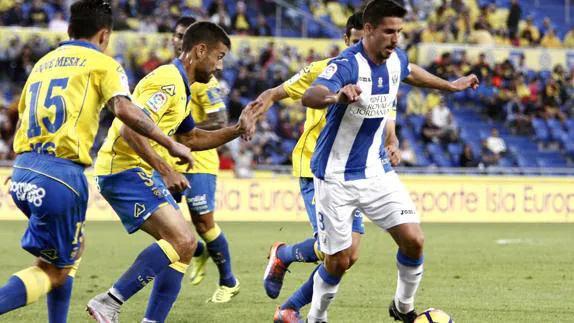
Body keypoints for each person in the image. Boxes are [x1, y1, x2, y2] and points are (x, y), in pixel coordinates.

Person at [0, 0, 193, 321]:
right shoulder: (103, 64)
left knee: (71, 252)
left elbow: (22, 115)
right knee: (52, 272)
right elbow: (124, 110)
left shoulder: (44, 62)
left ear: (70, 29)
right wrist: (170, 144)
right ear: (104, 34)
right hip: (61, 176)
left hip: (23, 170)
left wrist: (28, 166)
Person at [300, 1, 479, 322]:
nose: (396, 38)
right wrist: (335, 96)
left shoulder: (396, 58)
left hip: (376, 172)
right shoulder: (347, 64)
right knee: (338, 261)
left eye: (399, 31)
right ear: (368, 30)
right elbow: (311, 95)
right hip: (335, 177)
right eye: (389, 31)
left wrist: (450, 85)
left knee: (414, 240)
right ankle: (316, 317)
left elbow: (412, 72)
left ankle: (403, 307)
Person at [87, 22, 256, 322]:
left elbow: (191, 138)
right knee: (185, 240)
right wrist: (165, 169)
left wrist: (237, 130)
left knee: (183, 247)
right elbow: (129, 130)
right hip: (123, 169)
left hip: (135, 170)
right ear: (200, 50)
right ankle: (109, 302)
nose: (219, 67)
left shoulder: (183, 88)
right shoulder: (167, 80)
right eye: (218, 57)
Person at [248, 12, 370, 322]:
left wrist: (392, 143)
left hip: (351, 172)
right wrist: (253, 112)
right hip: (315, 168)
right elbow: (278, 92)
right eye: (354, 42)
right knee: (331, 251)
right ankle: (286, 270)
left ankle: (287, 293)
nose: (359, 48)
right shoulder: (323, 70)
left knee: (348, 256)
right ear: (346, 41)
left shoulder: (379, 76)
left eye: (364, 42)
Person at [169, 16, 240, 303]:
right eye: (176, 34)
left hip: (199, 160)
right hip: (171, 158)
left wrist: (184, 134)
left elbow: (220, 119)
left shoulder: (203, 81)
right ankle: (197, 252)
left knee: (203, 223)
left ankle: (229, 281)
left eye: (183, 35)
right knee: (163, 222)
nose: (178, 39)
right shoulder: (172, 75)